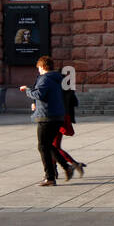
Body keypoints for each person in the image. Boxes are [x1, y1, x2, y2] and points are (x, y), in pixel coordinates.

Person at [19, 56, 67, 186]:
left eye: (39, 68)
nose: (38, 70)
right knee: (48, 145)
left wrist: (27, 90)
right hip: (56, 115)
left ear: (43, 67)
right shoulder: (56, 78)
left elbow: (39, 94)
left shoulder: (45, 78)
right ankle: (66, 168)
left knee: (42, 146)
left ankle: (50, 177)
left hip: (47, 117)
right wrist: (37, 104)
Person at [52, 86, 86, 180]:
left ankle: (74, 164)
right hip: (64, 117)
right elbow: (75, 102)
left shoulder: (54, 87)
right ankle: (54, 171)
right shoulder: (68, 88)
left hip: (55, 118)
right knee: (54, 146)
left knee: (53, 147)